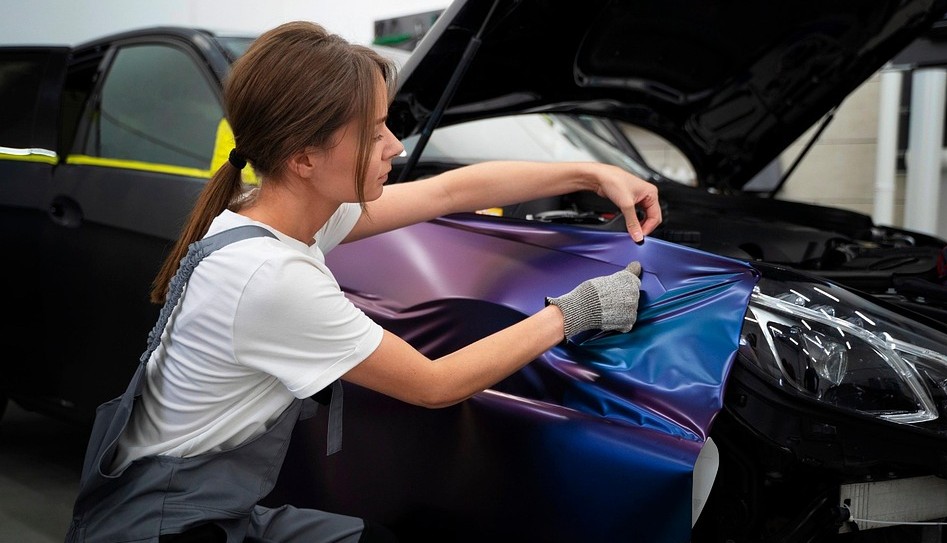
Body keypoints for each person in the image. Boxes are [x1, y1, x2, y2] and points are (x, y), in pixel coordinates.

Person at [65, 20, 662, 543]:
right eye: (374, 132)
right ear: (303, 157)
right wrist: (574, 313)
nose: (395, 147)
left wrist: (593, 170)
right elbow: (436, 384)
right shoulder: (270, 277)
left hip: (195, 506)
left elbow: (450, 191)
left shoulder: (272, 214)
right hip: (168, 528)